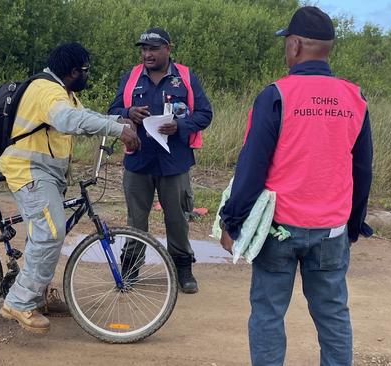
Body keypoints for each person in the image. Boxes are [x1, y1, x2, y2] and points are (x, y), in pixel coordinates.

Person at [219, 7, 373, 365]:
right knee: (333, 314)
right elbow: (362, 169)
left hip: (278, 231)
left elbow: (252, 167)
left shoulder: (275, 95)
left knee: (268, 313)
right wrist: (354, 223)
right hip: (331, 231)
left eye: (286, 42)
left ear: (295, 45)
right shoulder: (355, 98)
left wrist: (232, 221)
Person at [0, 42, 140, 333]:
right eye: (85, 70)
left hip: (47, 172)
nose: (88, 75)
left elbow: (85, 116)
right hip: (29, 170)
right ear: (74, 71)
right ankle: (19, 301)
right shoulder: (46, 90)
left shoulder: (63, 91)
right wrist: (118, 130)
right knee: (51, 231)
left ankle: (39, 296)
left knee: (44, 231)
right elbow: (67, 120)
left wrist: (118, 120)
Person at [107, 28, 213, 293]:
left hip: (173, 162)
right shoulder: (131, 77)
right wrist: (128, 112)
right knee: (136, 220)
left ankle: (183, 268)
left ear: (168, 48)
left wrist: (181, 125)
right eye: (143, 49)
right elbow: (112, 111)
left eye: (153, 48)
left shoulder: (185, 77)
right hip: (138, 161)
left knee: (177, 218)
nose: (147, 54)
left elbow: (205, 114)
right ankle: (130, 269)